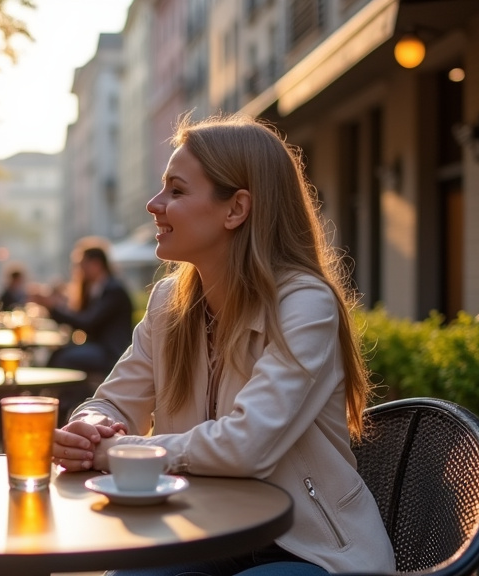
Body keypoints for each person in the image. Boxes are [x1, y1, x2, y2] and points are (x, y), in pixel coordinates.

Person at [52, 114, 396, 576]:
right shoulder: (168, 302)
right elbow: (115, 400)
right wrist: (91, 426)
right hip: (202, 530)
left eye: (176, 190)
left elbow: (245, 446)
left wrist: (117, 452)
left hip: (307, 546)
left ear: (236, 209)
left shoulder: (305, 304)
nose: (154, 204)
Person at [30, 236, 134, 376]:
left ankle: (69, 396)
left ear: (96, 264)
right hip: (99, 347)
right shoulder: (98, 288)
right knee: (57, 354)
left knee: (62, 358)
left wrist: (53, 307)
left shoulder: (113, 290)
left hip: (111, 352)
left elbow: (87, 322)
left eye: (82, 265)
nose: (79, 270)